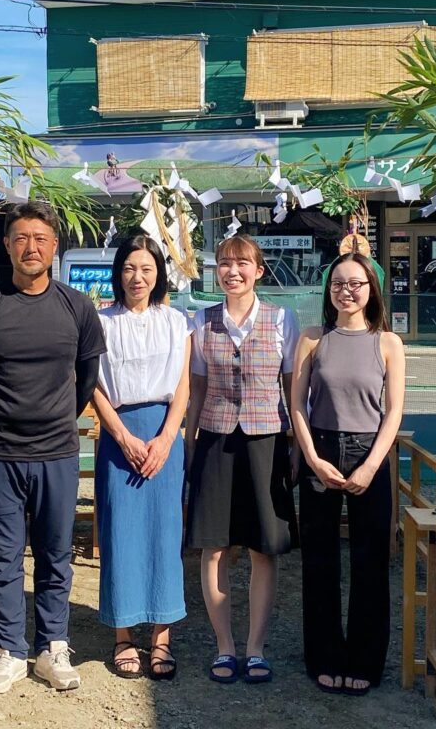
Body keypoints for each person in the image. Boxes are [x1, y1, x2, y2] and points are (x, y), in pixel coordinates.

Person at [0, 202, 106, 695]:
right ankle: (10, 651)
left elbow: (86, 381)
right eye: (21, 238)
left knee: (55, 553)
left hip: (57, 451)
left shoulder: (77, 307)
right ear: (6, 247)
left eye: (40, 238)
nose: (31, 247)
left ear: (54, 246)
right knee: (1, 557)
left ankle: (53, 646)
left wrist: (54, 417)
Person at [289, 252, 406, 697]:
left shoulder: (388, 343)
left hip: (369, 452)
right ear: (328, 290)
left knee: (370, 561)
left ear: (371, 289)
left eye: (356, 283)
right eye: (338, 283)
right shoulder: (312, 339)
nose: (347, 291)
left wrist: (373, 464)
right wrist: (312, 458)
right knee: (319, 560)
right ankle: (323, 656)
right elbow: (297, 404)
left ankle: (365, 659)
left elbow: (394, 410)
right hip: (321, 449)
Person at [185, 233, 299, 686]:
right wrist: (190, 441)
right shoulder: (200, 320)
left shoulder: (282, 320)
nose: (233, 271)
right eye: (225, 263)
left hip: (265, 441)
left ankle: (255, 649)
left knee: (262, 547)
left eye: (242, 263)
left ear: (259, 270)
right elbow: (195, 389)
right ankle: (224, 646)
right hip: (214, 438)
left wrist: (294, 443)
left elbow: (292, 388)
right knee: (214, 547)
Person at [92, 235, 191, 680]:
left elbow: (185, 385)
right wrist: (122, 435)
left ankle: (162, 638)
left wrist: (167, 438)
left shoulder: (177, 322)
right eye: (130, 268)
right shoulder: (100, 322)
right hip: (118, 436)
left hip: (164, 436)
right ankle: (123, 636)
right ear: (119, 273)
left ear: (158, 273)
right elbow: (92, 384)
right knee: (120, 534)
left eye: (147, 268)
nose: (138, 277)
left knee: (164, 535)